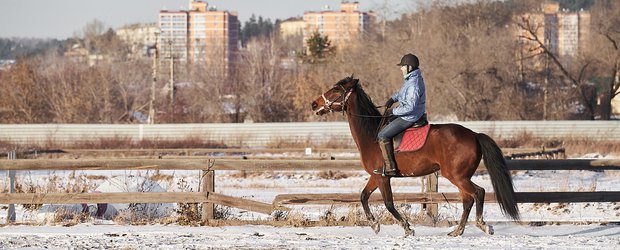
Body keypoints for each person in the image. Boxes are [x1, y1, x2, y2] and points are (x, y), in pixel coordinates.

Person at [374, 53, 427, 176]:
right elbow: (402, 93)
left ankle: (390, 167)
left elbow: (410, 107)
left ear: (409, 67)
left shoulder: (414, 84)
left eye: (402, 66)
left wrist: (393, 111)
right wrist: (392, 99)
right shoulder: (411, 79)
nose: (400, 68)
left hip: (410, 116)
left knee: (382, 135)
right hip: (406, 113)